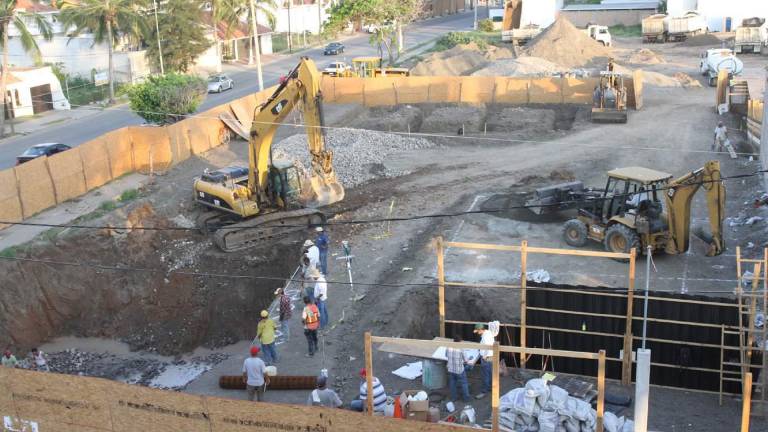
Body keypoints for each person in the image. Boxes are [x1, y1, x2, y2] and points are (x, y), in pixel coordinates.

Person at [446, 335, 471, 403]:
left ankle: (454, 398)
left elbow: (446, 355)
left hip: (451, 369)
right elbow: (466, 360)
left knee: (452, 383)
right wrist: (468, 359)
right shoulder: (461, 349)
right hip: (459, 370)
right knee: (464, 383)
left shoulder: (448, 347)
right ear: (460, 341)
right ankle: (466, 399)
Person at [474, 323, 495, 399]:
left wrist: (484, 356)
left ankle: (484, 391)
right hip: (490, 357)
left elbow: (487, 346)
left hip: (486, 358)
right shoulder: (488, 333)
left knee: (485, 375)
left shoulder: (485, 336)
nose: (477, 332)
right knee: (490, 373)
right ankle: (491, 387)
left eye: (477, 331)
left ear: (480, 330)